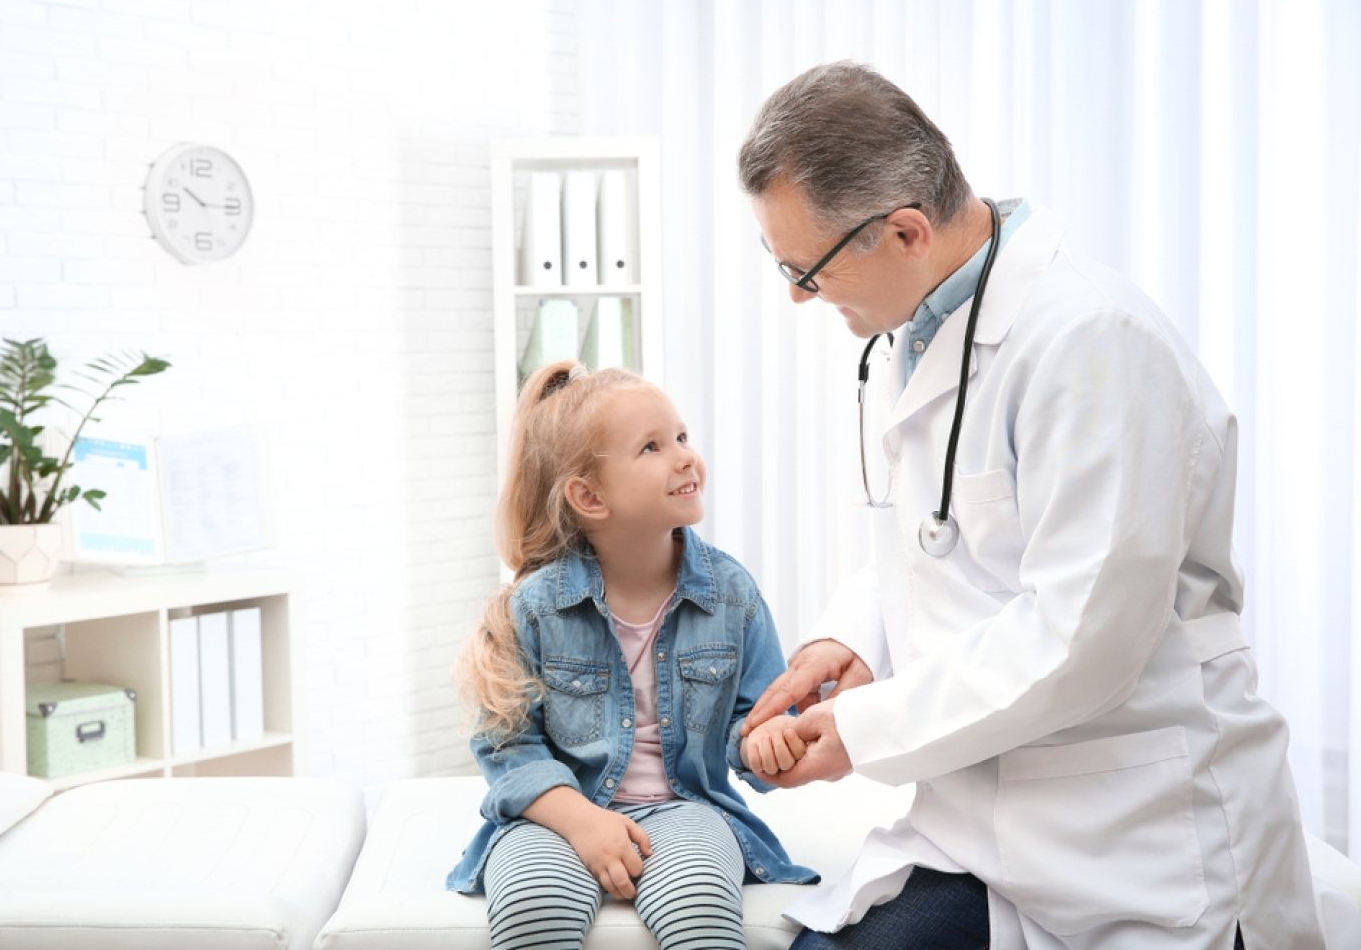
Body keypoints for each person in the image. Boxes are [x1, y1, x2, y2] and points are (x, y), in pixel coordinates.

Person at [735, 61, 1335, 949]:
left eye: (805, 270)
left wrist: (859, 732)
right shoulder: (927, 327)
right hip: (980, 820)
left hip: (1135, 831)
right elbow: (941, 536)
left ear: (903, 231)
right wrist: (853, 640)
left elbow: (1083, 633)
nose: (796, 295)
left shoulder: (1091, 342)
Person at [447, 360, 817, 950]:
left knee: (699, 900)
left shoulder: (731, 594)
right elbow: (506, 744)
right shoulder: (537, 606)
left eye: (681, 437)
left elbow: (762, 713)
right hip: (557, 814)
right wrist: (582, 821)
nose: (684, 456)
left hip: (685, 807)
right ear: (589, 497)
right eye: (651, 447)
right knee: (532, 901)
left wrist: (765, 741)